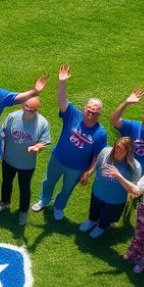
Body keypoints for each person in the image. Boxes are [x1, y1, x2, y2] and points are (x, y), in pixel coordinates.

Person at [32, 65, 108, 221]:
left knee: (67, 189)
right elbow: (62, 100)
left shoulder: (101, 133)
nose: (91, 113)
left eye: (95, 111)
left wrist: (89, 172)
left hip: (77, 168)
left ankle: (59, 207)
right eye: (89, 109)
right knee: (49, 181)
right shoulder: (73, 114)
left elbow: (97, 156)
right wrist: (62, 82)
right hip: (58, 158)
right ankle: (44, 200)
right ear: (84, 108)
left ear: (100, 114)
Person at [0, 97, 51, 225]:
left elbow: (43, 141)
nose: (30, 111)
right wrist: (1, 152)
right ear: (23, 106)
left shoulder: (42, 123)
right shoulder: (13, 117)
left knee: (24, 188)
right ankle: (4, 202)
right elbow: (3, 134)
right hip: (9, 159)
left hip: (27, 164)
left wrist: (37, 147)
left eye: (33, 110)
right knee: (6, 183)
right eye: (28, 108)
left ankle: (23, 211)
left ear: (37, 109)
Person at [77, 136, 141, 239]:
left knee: (107, 216)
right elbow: (97, 163)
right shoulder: (106, 152)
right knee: (94, 209)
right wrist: (88, 173)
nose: (116, 151)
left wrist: (118, 175)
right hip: (98, 192)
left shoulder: (134, 166)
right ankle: (92, 220)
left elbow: (134, 189)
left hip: (115, 200)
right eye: (116, 147)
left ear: (128, 152)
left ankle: (101, 226)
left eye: (121, 150)